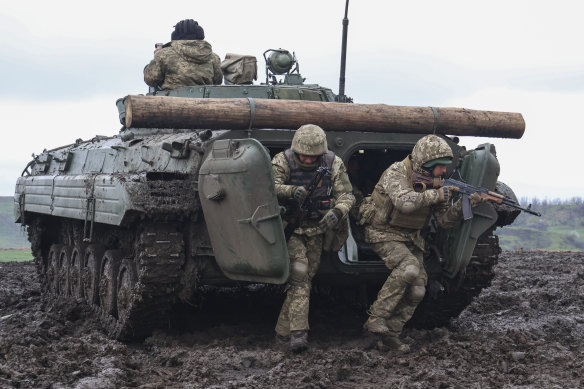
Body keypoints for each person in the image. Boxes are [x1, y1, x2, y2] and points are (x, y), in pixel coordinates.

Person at [358, 134, 485, 352]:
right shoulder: (397, 172)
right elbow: (404, 202)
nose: (443, 172)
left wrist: (467, 204)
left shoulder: (436, 184)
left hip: (411, 238)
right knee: (409, 268)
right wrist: (436, 195)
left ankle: (391, 335)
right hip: (383, 233)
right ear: (426, 164)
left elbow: (444, 221)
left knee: (418, 288)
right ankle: (376, 317)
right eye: (440, 167)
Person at [272, 124, 355, 352]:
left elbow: (347, 195)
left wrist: (337, 212)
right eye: (303, 157)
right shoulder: (282, 160)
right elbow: (270, 186)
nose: (308, 161)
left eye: (313, 158)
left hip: (317, 229)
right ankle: (298, 333)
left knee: (305, 280)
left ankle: (281, 334)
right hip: (291, 228)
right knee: (299, 274)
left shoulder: (332, 163)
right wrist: (289, 191)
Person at [144, 19, 223, 90]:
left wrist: (156, 56)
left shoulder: (163, 54)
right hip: (206, 104)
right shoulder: (214, 57)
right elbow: (218, 82)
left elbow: (151, 80)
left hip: (170, 103)